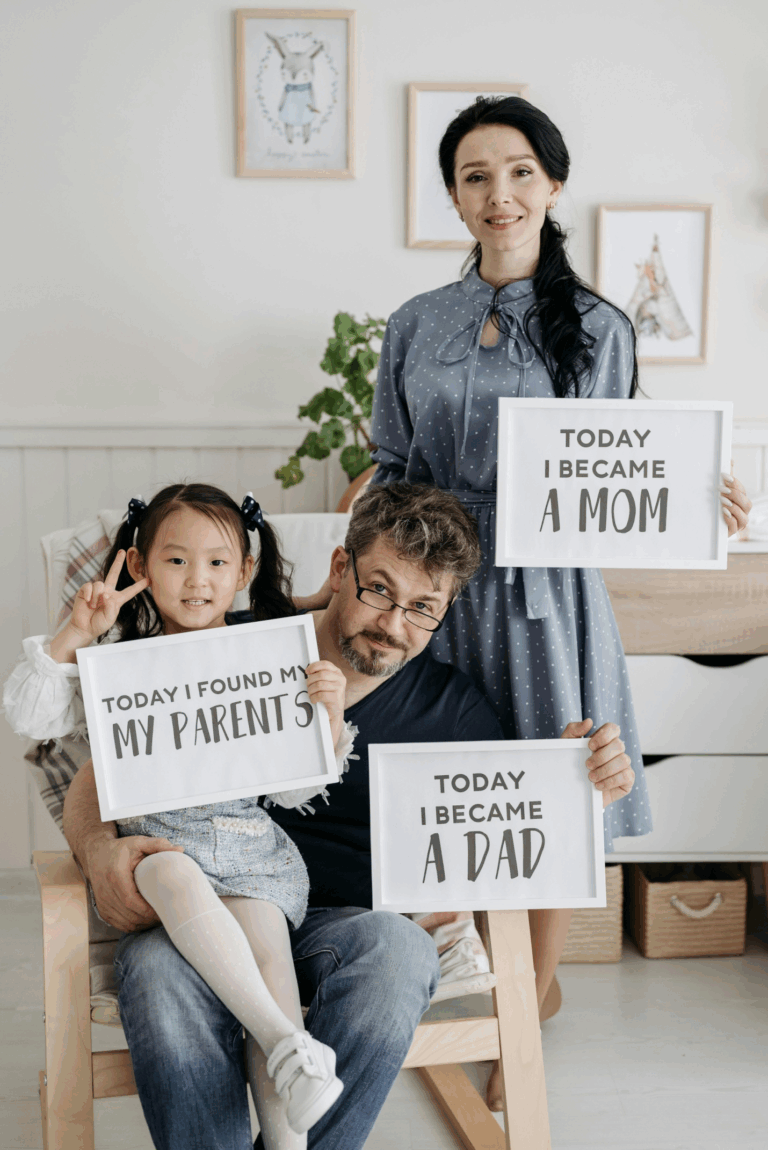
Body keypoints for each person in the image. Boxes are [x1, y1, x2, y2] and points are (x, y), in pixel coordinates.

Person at [9, 482, 634, 1150]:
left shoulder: (453, 711)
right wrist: (98, 851)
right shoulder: (233, 643)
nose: (393, 624)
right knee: (159, 975)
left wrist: (578, 789)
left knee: (401, 952)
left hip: (345, 927)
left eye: (423, 608)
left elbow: (514, 825)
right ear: (340, 569)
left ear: (445, 611)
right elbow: (98, 771)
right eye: (379, 590)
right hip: (200, 916)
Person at [368, 95, 752, 1108]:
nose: (499, 194)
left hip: (549, 596)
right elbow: (393, 464)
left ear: (553, 184)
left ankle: (528, 998)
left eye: (520, 172)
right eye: (476, 176)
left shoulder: (601, 326)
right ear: (455, 196)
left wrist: (697, 491)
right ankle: (457, 976)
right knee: (455, 793)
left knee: (554, 790)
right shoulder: (414, 324)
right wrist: (359, 573)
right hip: (438, 587)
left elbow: (618, 459)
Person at [4, 482, 356, 1146]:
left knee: (270, 961)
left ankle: (289, 1093)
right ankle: (288, 1040)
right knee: (169, 870)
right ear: (140, 565)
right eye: (176, 560)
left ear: (244, 571)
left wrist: (329, 717)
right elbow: (30, 715)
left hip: (248, 851)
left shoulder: (267, 657)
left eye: (218, 562)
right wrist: (77, 632)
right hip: (158, 851)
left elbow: (294, 789)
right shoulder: (115, 664)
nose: (198, 580)